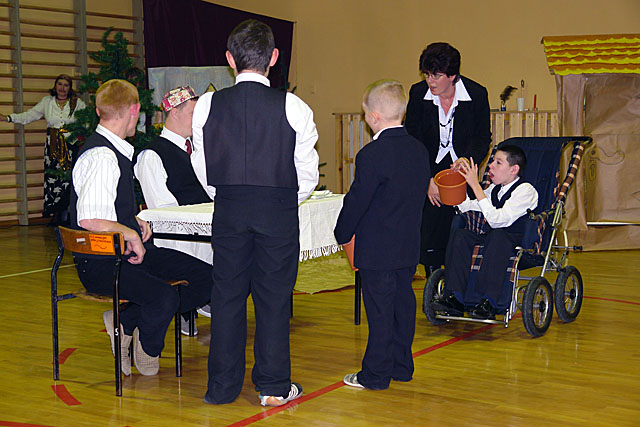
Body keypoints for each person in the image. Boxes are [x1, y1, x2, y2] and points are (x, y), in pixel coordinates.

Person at [194, 19, 319, 406]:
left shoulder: (207, 105)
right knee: (274, 300)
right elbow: (307, 174)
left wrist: (227, 193)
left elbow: (203, 166)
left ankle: (221, 388)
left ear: (230, 60)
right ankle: (273, 386)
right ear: (274, 57)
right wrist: (279, 198)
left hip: (229, 208)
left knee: (226, 297)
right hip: (277, 209)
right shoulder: (294, 106)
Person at [69, 79, 212, 377]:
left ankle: (125, 320)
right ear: (135, 110)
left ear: (99, 110)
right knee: (164, 296)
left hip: (125, 252)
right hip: (102, 262)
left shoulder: (114, 151)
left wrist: (134, 221)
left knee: (208, 278)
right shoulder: (102, 156)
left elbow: (108, 210)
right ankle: (148, 348)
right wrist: (130, 232)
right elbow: (90, 220)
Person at [334, 79, 429, 390]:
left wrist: (342, 231)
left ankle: (375, 375)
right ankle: (401, 366)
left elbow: (357, 200)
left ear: (373, 117)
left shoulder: (371, 154)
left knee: (379, 312)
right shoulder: (418, 150)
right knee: (402, 306)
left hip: (377, 249)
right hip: (407, 245)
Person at [405, 42, 491, 276]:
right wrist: (427, 179)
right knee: (430, 226)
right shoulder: (417, 93)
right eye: (426, 74)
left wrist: (467, 160)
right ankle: (434, 282)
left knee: (461, 226)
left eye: (436, 75)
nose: (430, 81)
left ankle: (459, 280)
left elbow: (483, 137)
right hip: (429, 166)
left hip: (462, 168)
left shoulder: (477, 94)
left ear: (452, 76)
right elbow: (412, 139)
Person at [134, 85, 213, 334]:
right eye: (193, 114)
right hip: (178, 239)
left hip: (206, 229)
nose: (198, 121)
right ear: (175, 112)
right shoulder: (152, 156)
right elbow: (163, 212)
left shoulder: (199, 150)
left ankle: (203, 299)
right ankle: (187, 302)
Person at [432, 144, 538, 319]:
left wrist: (476, 186)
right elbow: (469, 207)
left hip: (516, 240)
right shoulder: (494, 189)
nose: (491, 166)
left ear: (514, 169)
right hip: (492, 238)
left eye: (498, 163)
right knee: (462, 236)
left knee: (497, 236)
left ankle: (489, 302)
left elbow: (498, 220)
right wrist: (459, 182)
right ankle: (455, 298)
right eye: (492, 161)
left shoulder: (526, 190)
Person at [1, 74, 86, 224]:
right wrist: (8, 118)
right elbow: (30, 115)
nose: (62, 88)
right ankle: (55, 213)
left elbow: (86, 122)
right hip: (52, 145)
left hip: (70, 146)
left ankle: (67, 213)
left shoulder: (77, 103)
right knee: (53, 180)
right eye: (59, 84)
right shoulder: (47, 102)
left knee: (69, 180)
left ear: (70, 88)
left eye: (66, 85)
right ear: (55, 86)